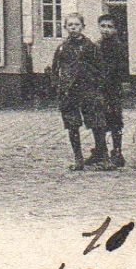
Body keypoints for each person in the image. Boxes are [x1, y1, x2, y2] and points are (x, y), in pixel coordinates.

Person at [51, 14, 111, 171]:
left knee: (97, 123)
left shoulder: (91, 47)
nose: (73, 27)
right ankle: (78, 159)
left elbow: (101, 69)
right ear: (65, 28)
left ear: (83, 27)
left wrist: (96, 86)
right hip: (69, 92)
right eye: (69, 25)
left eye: (77, 25)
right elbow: (55, 69)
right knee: (72, 125)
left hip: (88, 91)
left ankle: (104, 158)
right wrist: (59, 86)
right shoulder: (62, 48)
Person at [96, 13, 129, 168]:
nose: (106, 30)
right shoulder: (95, 46)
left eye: (110, 27)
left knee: (115, 120)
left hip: (113, 89)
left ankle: (117, 152)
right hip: (98, 89)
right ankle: (100, 151)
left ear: (115, 29)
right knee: (98, 120)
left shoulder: (119, 47)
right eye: (103, 26)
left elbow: (122, 70)